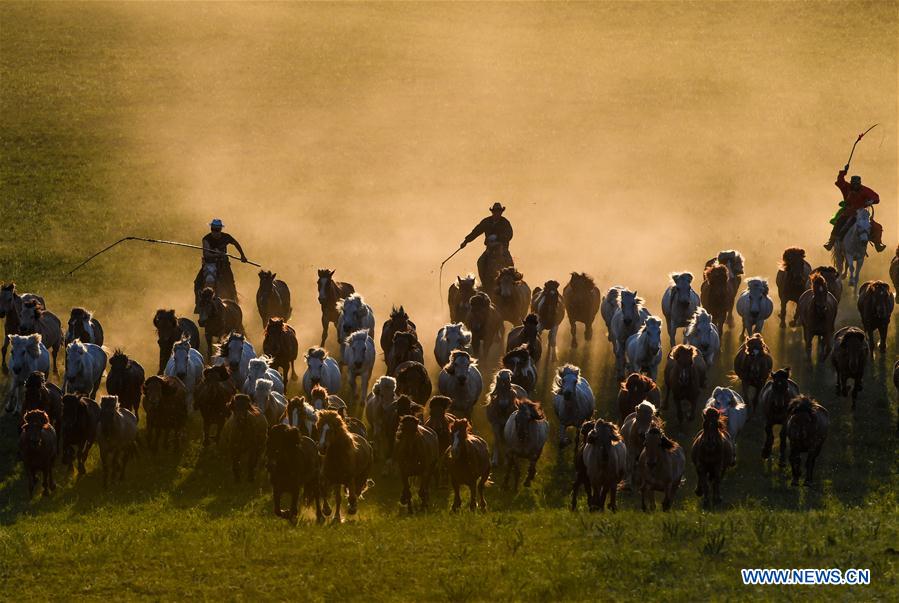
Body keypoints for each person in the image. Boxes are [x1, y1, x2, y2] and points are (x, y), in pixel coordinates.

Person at [824, 167, 886, 252]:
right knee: (838, 223)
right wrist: (843, 172)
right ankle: (831, 242)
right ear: (851, 183)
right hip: (848, 213)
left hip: (861, 213)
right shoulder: (846, 187)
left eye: (857, 184)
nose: (855, 186)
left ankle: (877, 244)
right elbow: (839, 182)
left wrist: (871, 201)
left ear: (860, 183)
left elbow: (876, 197)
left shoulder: (865, 190)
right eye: (854, 184)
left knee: (877, 227)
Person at [193, 219, 247, 307]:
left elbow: (236, 243)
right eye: (213, 229)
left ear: (220, 230)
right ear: (211, 229)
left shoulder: (226, 237)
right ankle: (199, 304)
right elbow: (206, 254)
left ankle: (234, 302)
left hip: (224, 264)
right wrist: (217, 254)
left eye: (217, 230)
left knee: (230, 282)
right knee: (198, 282)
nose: (215, 232)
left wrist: (242, 256)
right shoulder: (206, 239)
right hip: (209, 264)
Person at [460, 202, 514, 281]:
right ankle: (484, 283)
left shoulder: (505, 222)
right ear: (492, 212)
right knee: (480, 262)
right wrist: (466, 241)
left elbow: (509, 234)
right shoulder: (486, 222)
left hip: (502, 249)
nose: (497, 213)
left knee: (510, 266)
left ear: (501, 212)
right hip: (490, 249)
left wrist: (498, 238)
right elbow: (476, 231)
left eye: (498, 211)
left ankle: (512, 282)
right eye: (495, 211)